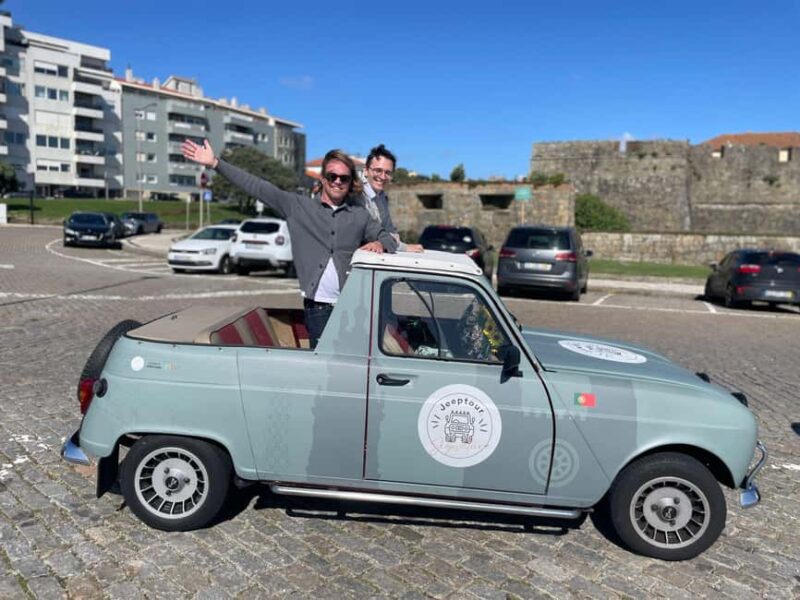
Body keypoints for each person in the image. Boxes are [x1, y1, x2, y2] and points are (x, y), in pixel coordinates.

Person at [182, 140, 397, 348]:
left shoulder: (360, 215)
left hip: (354, 308)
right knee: (326, 370)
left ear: (351, 182)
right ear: (323, 178)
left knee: (355, 367)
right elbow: (257, 187)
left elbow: (388, 238)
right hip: (319, 309)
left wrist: (379, 243)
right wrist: (215, 164)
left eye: (344, 178)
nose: (338, 182)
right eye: (332, 176)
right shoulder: (297, 206)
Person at [360, 144, 423, 252]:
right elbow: (366, 235)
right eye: (378, 170)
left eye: (388, 173)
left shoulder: (381, 197)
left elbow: (391, 233)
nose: (383, 177)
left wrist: (400, 245)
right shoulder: (356, 195)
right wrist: (403, 247)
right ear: (366, 170)